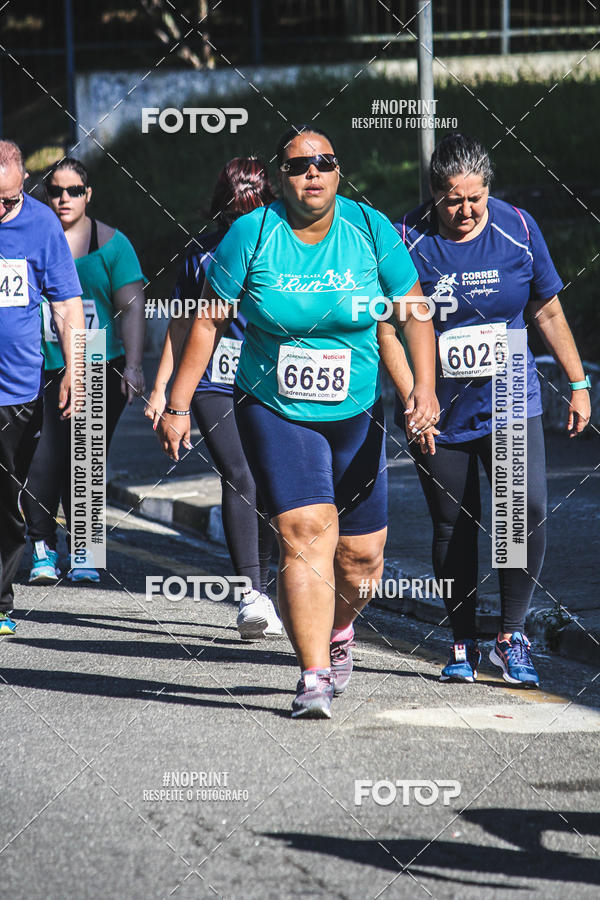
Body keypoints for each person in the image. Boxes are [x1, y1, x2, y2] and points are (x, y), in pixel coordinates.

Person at [157, 125, 438, 718]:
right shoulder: (252, 234)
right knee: (306, 529)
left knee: (363, 561)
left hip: (357, 410)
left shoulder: (370, 229)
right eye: (298, 165)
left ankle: (339, 630)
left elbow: (413, 314)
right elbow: (206, 322)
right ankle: (312, 675)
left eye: (324, 162)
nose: (312, 173)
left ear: (339, 172)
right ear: (279, 178)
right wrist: (177, 403)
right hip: (276, 407)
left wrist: (424, 393)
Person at [379, 133, 591, 688]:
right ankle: (461, 641)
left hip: (508, 403)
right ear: (434, 194)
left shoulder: (517, 229)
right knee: (454, 524)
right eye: (453, 200)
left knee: (522, 511)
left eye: (476, 197)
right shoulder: (407, 238)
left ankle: (511, 635)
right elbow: (389, 327)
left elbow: (546, 309)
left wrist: (577, 381)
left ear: (489, 189)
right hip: (438, 409)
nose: (467, 210)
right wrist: (411, 397)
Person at [145, 156, 282, 639]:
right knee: (239, 472)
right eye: (231, 217)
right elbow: (181, 326)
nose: (240, 226)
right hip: (212, 380)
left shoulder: (284, 248)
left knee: (268, 479)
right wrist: (163, 390)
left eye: (253, 214)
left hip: (266, 377)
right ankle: (249, 594)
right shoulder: (200, 254)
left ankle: (267, 588)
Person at [22, 157, 146, 584]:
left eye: (74, 191)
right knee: (41, 458)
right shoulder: (29, 240)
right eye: (55, 191)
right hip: (38, 363)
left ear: (88, 194)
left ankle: (85, 550)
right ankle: (41, 546)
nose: (63, 199)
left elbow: (131, 308)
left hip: (96, 358)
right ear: (44, 194)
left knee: (86, 456)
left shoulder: (112, 244)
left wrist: (133, 364)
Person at [0, 140, 84, 634]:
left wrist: (74, 368)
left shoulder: (40, 225)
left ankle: (0, 602)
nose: (0, 208)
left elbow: (66, 305)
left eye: (8, 199)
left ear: (23, 186)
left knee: (7, 497)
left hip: (16, 390)